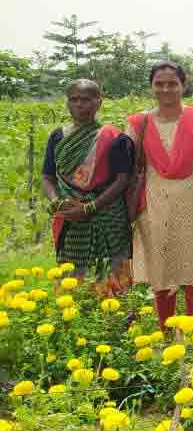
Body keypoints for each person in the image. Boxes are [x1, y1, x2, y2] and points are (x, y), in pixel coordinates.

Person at [126, 62, 193, 324]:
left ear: (183, 85)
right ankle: (166, 333)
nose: (166, 89)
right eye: (159, 84)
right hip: (154, 209)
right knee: (160, 271)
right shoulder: (138, 123)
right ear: (151, 86)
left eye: (172, 83)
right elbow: (129, 169)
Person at [42, 79, 133, 290]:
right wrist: (57, 202)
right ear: (67, 103)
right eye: (73, 99)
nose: (79, 104)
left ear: (98, 103)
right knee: (72, 279)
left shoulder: (114, 138)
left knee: (112, 279)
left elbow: (122, 179)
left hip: (108, 218)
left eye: (85, 99)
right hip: (70, 217)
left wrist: (90, 207)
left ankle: (112, 309)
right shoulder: (58, 137)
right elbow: (47, 177)